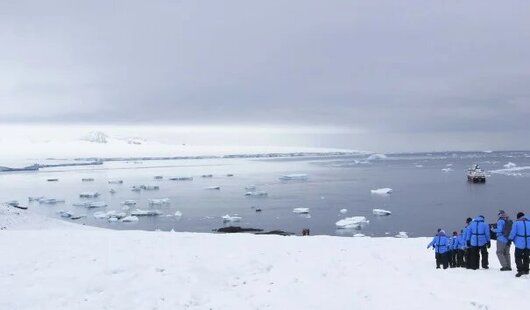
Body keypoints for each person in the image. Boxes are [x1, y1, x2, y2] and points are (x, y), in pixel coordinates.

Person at [508, 212, 530, 277]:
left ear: (518, 217)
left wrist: (510, 240)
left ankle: (520, 270)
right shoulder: (529, 223)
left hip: (519, 243)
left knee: (518, 257)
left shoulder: (516, 223)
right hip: (528, 243)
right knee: (526, 257)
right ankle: (526, 270)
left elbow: (513, 233)